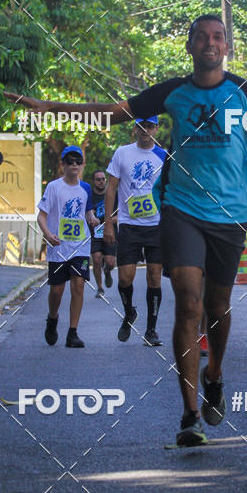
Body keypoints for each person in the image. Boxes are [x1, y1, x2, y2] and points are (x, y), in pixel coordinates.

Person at [6, 14, 247, 444]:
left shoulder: (246, 95)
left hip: (230, 216)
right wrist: (51, 109)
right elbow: (111, 112)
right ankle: (190, 414)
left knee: (218, 308)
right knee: (189, 304)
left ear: (226, 47)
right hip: (180, 210)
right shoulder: (173, 93)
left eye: (218, 38)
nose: (210, 44)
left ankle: (214, 375)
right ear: (191, 46)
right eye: (202, 38)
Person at [103, 117, 167, 347]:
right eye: (141, 126)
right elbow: (111, 188)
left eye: (150, 126)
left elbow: (170, 189)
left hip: (156, 225)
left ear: (156, 129)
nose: (145, 130)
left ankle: (151, 330)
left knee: (154, 277)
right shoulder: (122, 153)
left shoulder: (163, 156)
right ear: (134, 128)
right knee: (125, 278)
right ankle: (129, 312)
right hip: (129, 224)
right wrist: (108, 222)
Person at [37, 145, 99, 348]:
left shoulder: (86, 188)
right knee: (56, 290)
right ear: (62, 164)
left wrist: (93, 219)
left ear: (82, 164)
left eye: (78, 161)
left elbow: (87, 212)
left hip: (80, 245)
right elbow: (41, 216)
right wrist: (48, 235)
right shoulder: (54, 187)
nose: (74, 165)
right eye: (70, 161)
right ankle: (52, 318)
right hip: (59, 246)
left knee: (78, 284)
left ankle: (73, 332)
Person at [89, 169, 117, 298]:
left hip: (110, 232)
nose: (101, 182)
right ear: (93, 181)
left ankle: (107, 271)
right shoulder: (89, 196)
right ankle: (100, 288)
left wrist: (107, 221)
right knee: (96, 258)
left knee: (111, 263)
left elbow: (120, 216)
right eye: (98, 179)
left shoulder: (113, 195)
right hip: (95, 234)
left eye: (103, 179)